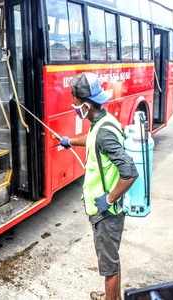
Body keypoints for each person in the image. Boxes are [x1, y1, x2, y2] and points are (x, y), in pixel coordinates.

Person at [60, 73, 139, 300]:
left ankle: (110, 297)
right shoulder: (103, 121)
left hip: (107, 213)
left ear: (85, 105)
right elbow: (93, 138)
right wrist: (70, 141)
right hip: (105, 211)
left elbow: (129, 172)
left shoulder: (103, 132)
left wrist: (110, 199)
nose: (73, 105)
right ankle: (110, 296)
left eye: (74, 101)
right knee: (111, 259)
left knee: (109, 267)